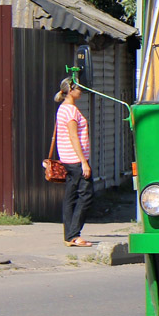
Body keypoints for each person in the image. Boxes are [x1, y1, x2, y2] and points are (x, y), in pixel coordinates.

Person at [54, 78, 94, 248]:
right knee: (86, 195)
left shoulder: (63, 109)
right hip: (76, 160)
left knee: (71, 196)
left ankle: (69, 235)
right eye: (78, 88)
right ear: (70, 91)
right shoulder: (70, 111)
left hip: (68, 159)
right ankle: (74, 235)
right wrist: (84, 162)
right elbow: (73, 137)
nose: (81, 91)